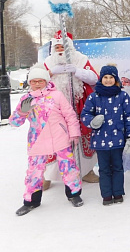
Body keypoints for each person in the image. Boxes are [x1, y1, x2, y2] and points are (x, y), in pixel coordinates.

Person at [9, 65, 84, 216]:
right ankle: (31, 201)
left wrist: (74, 134)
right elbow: (15, 123)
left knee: (68, 167)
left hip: (60, 137)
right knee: (34, 172)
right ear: (29, 82)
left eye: (40, 81)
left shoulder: (57, 95)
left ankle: (74, 195)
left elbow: (69, 115)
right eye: (33, 81)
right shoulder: (26, 99)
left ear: (46, 81)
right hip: (37, 140)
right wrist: (22, 112)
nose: (37, 84)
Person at [43, 30, 99, 186]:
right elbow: (37, 82)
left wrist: (77, 71)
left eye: (63, 47)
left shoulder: (81, 59)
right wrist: (51, 72)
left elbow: (95, 79)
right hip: (55, 109)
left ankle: (87, 171)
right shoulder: (48, 61)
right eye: (58, 47)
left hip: (78, 106)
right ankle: (48, 175)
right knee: (53, 140)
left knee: (82, 138)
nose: (60, 50)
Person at [81, 65, 130, 205]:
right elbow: (85, 114)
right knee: (104, 169)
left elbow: (129, 116)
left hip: (118, 139)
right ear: (101, 78)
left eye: (111, 77)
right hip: (100, 141)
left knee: (118, 167)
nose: (108, 80)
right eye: (105, 77)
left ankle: (118, 193)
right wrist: (92, 121)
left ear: (115, 79)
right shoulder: (94, 96)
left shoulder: (123, 96)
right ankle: (106, 195)